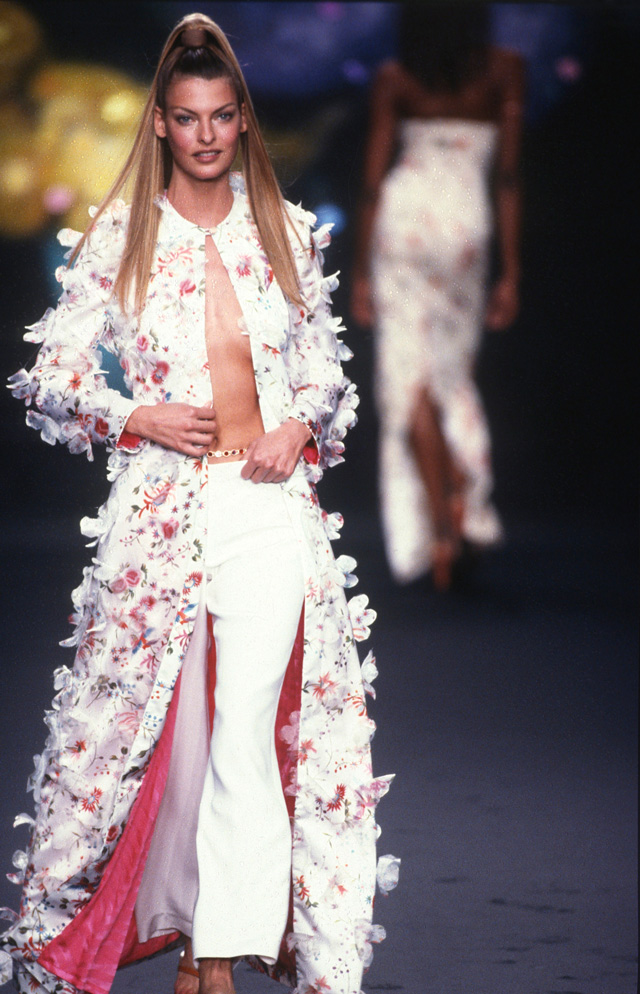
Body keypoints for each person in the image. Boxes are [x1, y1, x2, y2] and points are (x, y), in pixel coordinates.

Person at [0, 14, 397, 994]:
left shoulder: (289, 234)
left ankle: (209, 959)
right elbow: (47, 375)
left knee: (246, 723)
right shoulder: (123, 235)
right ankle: (164, 934)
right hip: (160, 511)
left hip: (267, 504)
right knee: (144, 741)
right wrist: (132, 410)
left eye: (223, 115)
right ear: (163, 127)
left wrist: (299, 426)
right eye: (188, 117)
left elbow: (324, 379)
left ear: (245, 124)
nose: (208, 134)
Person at [351, 5, 524, 590]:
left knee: (409, 378)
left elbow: (374, 182)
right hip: (464, 232)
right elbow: (507, 177)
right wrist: (512, 273)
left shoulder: (397, 77)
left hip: (404, 225)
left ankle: (442, 527)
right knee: (451, 375)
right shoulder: (505, 72)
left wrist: (360, 274)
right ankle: (460, 497)